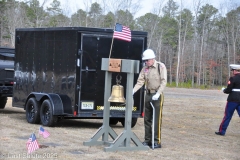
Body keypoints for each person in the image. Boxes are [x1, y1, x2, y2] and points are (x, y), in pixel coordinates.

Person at [133, 49, 167, 148]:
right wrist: (134, 90)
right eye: (145, 60)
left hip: (157, 94)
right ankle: (147, 140)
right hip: (148, 94)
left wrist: (158, 93)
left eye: (147, 60)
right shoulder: (145, 69)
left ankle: (156, 141)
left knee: (156, 119)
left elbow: (164, 82)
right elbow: (140, 81)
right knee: (147, 119)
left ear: (152, 59)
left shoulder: (160, 66)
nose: (146, 62)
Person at [215, 64, 240, 136]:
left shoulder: (233, 78)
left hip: (232, 100)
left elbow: (228, 90)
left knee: (227, 116)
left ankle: (222, 131)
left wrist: (224, 90)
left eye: (233, 71)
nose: (232, 72)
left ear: (235, 71)